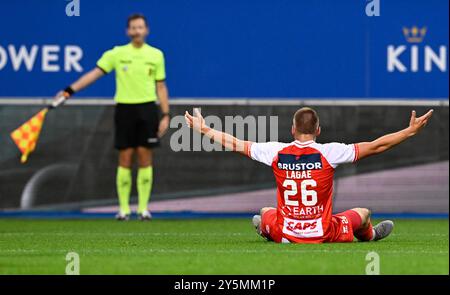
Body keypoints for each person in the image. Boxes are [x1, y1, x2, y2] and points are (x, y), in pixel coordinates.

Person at [184, 107, 433, 243]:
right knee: (363, 213)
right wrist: (408, 132)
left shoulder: (275, 151)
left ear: (293, 129)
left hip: (286, 232)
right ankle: (370, 237)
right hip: (323, 233)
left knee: (263, 213)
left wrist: (204, 129)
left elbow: (236, 143)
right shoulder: (330, 153)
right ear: (318, 130)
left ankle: (267, 232)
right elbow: (377, 145)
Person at [55, 14, 170, 221]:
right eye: (133, 28)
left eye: (140, 27)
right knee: (125, 157)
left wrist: (166, 114)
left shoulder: (156, 55)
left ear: (147, 30)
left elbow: (160, 86)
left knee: (145, 157)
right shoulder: (116, 53)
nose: (137, 31)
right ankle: (124, 210)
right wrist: (68, 91)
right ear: (128, 31)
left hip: (147, 110)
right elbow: (94, 74)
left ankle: (143, 209)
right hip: (124, 109)